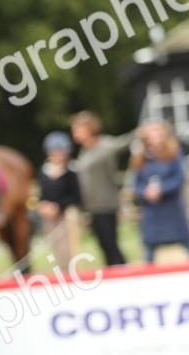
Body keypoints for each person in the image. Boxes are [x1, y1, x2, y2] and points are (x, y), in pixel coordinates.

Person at [70, 110, 133, 266]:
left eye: (78, 129)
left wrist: (141, 132)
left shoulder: (104, 144)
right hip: (93, 206)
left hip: (106, 203)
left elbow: (123, 143)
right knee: (103, 245)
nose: (74, 133)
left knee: (110, 244)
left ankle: (121, 272)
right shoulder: (84, 151)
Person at [131, 119, 189, 263]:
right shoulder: (141, 158)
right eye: (151, 135)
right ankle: (147, 275)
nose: (154, 138)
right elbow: (136, 184)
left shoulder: (174, 154)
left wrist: (162, 190)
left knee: (186, 243)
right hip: (151, 211)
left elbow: (179, 178)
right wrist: (145, 192)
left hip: (171, 208)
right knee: (149, 248)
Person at [36, 131, 82, 266]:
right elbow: (43, 193)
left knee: (68, 248)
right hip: (49, 215)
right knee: (55, 247)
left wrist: (58, 206)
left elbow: (76, 196)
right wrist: (43, 205)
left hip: (66, 214)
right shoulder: (44, 170)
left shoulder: (71, 170)